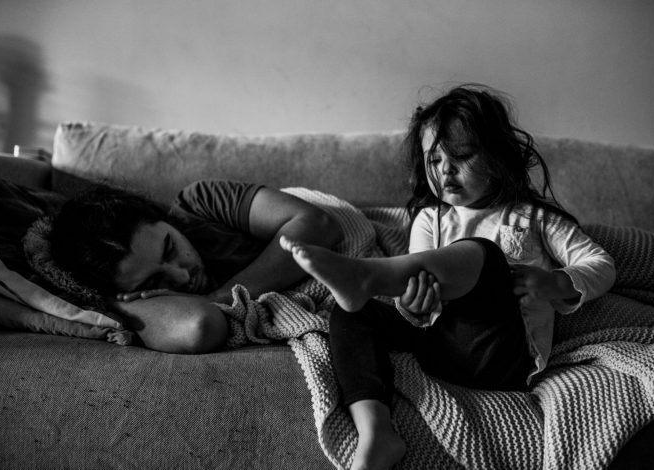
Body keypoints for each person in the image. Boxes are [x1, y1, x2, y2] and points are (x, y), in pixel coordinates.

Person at [279, 84, 616, 470]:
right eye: (434, 159)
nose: (445, 170)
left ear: (497, 155)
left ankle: (366, 277)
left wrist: (556, 282)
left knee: (486, 256)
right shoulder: (430, 219)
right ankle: (376, 432)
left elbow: (601, 263)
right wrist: (411, 305)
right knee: (351, 313)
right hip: (438, 347)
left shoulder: (533, 218)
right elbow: (414, 288)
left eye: (462, 156)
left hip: (498, 356)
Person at [49, 180, 344, 354]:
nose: (181, 276)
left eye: (170, 248)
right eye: (151, 282)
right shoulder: (127, 298)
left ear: (163, 218)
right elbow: (200, 326)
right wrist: (117, 305)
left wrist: (220, 296)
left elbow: (318, 224)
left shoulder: (202, 201)